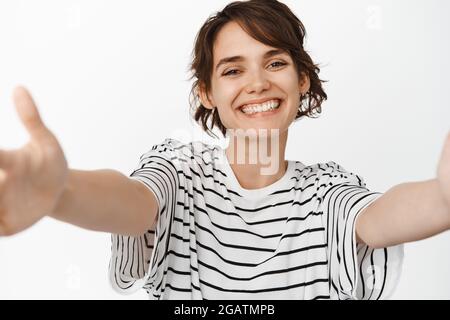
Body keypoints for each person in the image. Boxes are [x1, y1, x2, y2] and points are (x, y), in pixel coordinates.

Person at [0, 0, 449, 300]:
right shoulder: (180, 169)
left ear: (303, 80)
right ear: (208, 93)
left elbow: (382, 217)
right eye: (233, 70)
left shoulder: (328, 191)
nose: (258, 83)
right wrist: (61, 193)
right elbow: (132, 203)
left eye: (276, 63)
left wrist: (443, 197)